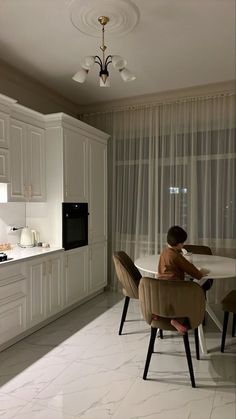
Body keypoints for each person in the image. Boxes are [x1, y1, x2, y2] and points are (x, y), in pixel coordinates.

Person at [155, 225, 209, 334]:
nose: (183, 244)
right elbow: (194, 273)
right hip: (176, 290)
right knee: (198, 287)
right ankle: (176, 320)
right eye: (183, 243)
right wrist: (202, 272)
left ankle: (158, 311)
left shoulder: (164, 252)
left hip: (161, 289)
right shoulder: (176, 256)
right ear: (179, 244)